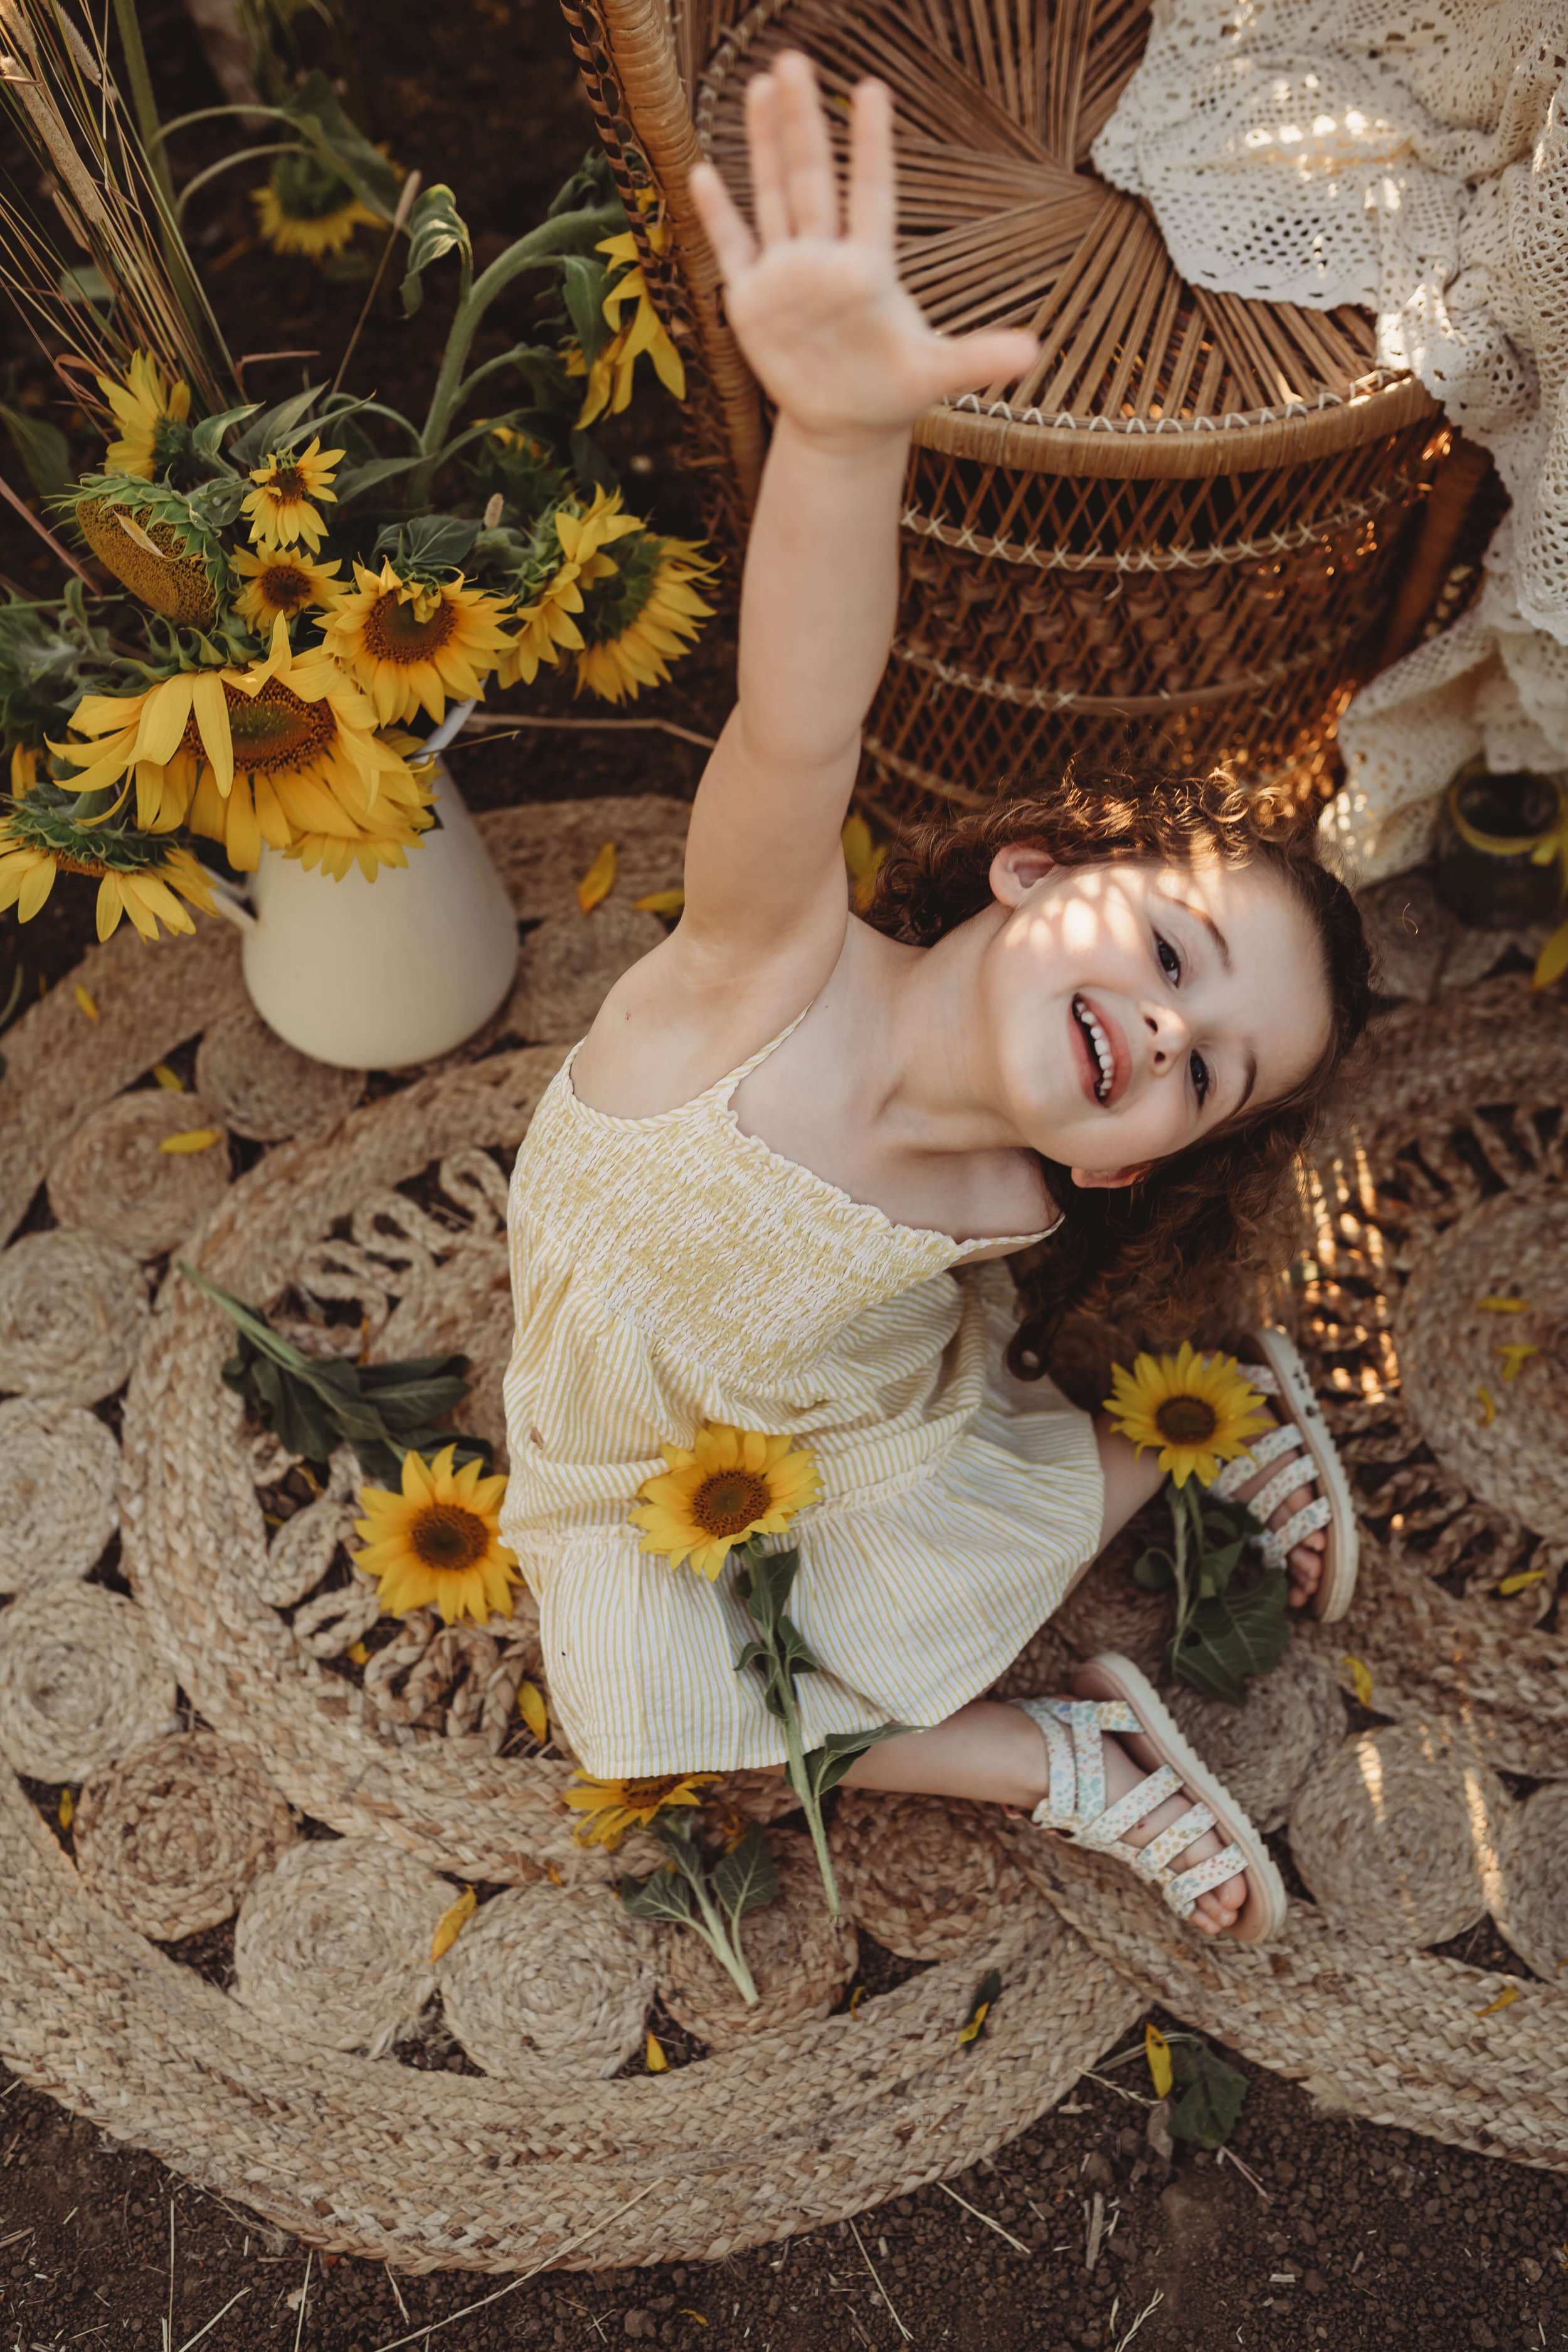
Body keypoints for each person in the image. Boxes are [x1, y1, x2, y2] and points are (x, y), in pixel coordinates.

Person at [501, 54, 1372, 1944]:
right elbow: (798, 711)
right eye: (1164, 954)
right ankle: (1075, 1751)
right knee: (648, 1722)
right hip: (632, 1442)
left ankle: (1183, 1440)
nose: (1159, 1029)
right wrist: (837, 438)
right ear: (1034, 869)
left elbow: (905, 1400)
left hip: (845, 1438)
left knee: (839, 1608)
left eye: (1201, 1072)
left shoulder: (1017, 1204)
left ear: (1138, 1161)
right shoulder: (763, 960)